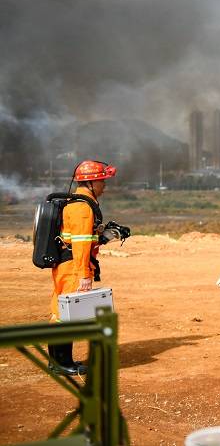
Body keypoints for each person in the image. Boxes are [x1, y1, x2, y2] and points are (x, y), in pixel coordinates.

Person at [49, 160, 117, 375]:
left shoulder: (80, 203)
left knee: (61, 311)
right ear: (91, 182)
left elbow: (86, 239)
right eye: (102, 181)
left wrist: (104, 236)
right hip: (72, 267)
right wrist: (84, 275)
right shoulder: (82, 208)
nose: (104, 185)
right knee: (65, 314)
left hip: (67, 266)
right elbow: (79, 246)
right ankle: (62, 363)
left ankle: (59, 361)